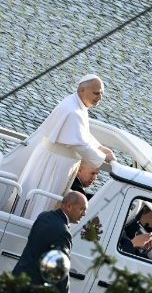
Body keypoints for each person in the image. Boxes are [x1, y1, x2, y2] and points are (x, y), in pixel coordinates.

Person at [0, 74, 116, 219]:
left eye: (101, 94)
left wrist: (99, 147)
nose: (99, 98)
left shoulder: (77, 105)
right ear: (82, 90)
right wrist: (103, 157)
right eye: (96, 93)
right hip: (53, 166)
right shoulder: (73, 111)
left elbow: (82, 134)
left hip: (56, 162)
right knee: (41, 201)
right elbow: (80, 145)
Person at [11, 191, 87, 293]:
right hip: (32, 292)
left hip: (17, 278)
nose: (84, 214)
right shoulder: (63, 233)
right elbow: (60, 272)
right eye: (82, 209)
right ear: (69, 206)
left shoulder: (43, 216)